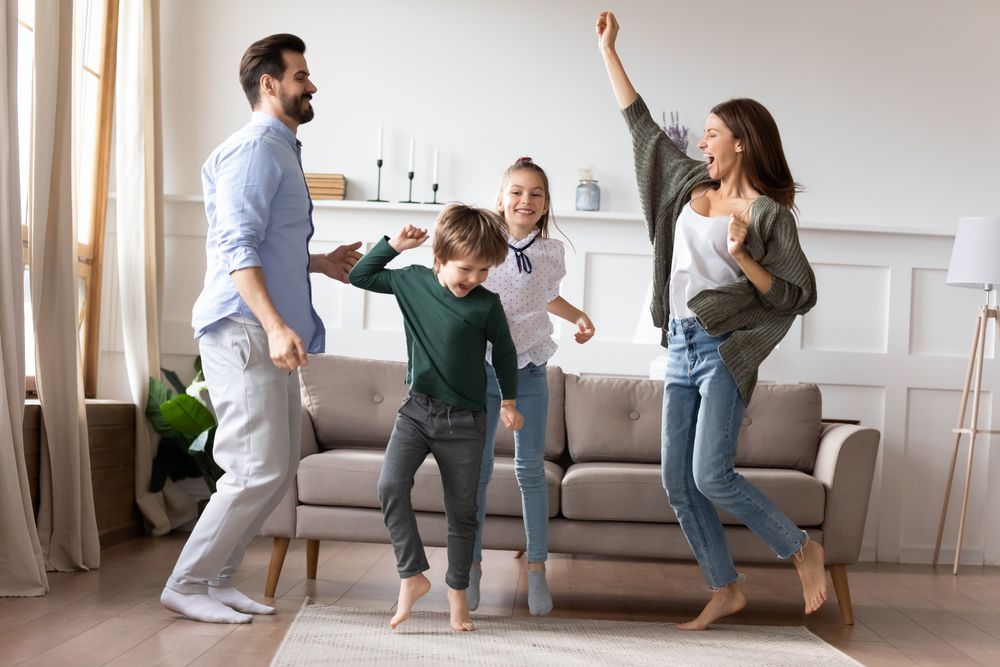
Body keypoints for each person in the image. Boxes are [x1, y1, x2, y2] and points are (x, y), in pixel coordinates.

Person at [596, 12, 824, 630]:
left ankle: (802, 548)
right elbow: (641, 127)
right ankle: (725, 587)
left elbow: (794, 295)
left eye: (712, 133)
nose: (701, 142)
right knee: (677, 479)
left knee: (710, 473)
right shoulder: (688, 187)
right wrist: (608, 50)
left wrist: (744, 253)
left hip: (724, 350)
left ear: (741, 141)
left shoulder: (770, 215)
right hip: (678, 342)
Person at [160, 33, 362, 624]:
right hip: (244, 327)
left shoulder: (280, 149)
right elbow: (237, 248)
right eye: (302, 75)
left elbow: (267, 247)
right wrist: (274, 324)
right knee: (255, 467)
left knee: (274, 470)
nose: (312, 85)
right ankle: (186, 581)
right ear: (270, 84)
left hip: (265, 329)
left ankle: (218, 579)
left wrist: (319, 262)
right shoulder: (253, 150)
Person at [349, 204, 524, 632]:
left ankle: (457, 598)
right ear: (439, 257)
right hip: (417, 410)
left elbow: (504, 352)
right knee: (390, 485)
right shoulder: (411, 283)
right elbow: (361, 276)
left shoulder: (486, 305)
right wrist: (393, 245)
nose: (475, 279)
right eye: (467, 269)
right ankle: (412, 576)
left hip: (466, 423)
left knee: (462, 513)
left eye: (484, 271)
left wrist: (509, 401)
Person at [467, 158, 595, 616]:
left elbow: (545, 297)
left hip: (530, 367)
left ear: (546, 204)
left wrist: (578, 315)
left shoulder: (550, 252)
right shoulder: (479, 240)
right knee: (477, 472)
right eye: (517, 191)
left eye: (536, 193)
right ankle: (471, 568)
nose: (526, 200)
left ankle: (537, 569)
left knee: (530, 471)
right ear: (501, 198)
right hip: (480, 369)